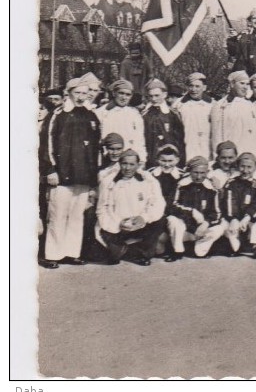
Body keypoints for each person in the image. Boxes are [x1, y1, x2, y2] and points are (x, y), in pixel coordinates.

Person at [39, 77, 102, 268]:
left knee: (76, 216)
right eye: (77, 93)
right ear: (69, 93)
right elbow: (47, 144)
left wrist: (94, 175)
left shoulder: (92, 116)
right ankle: (53, 254)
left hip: (83, 175)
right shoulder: (58, 114)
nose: (81, 97)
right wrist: (50, 169)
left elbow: (96, 147)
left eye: (85, 93)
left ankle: (71, 252)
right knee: (58, 215)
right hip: (62, 174)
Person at [96, 149, 166, 265]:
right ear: (119, 164)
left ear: (138, 165)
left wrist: (143, 218)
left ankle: (141, 253)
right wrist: (118, 223)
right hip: (118, 227)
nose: (127, 168)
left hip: (140, 224)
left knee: (160, 220)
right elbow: (102, 209)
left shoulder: (148, 179)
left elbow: (158, 203)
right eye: (124, 163)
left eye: (132, 164)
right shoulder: (108, 181)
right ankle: (127, 251)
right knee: (114, 256)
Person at [164, 157, 226, 261]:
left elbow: (217, 212)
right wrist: (191, 212)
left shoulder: (211, 188)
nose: (199, 176)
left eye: (202, 173)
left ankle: (199, 249)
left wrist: (206, 223)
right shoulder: (181, 184)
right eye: (195, 172)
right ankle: (178, 251)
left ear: (207, 172)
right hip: (185, 229)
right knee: (172, 220)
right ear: (189, 171)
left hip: (201, 230)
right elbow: (171, 206)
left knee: (220, 227)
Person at [220, 151, 256, 259]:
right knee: (233, 240)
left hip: (252, 216)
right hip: (236, 215)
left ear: (255, 167)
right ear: (238, 166)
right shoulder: (232, 182)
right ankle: (236, 245)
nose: (245, 170)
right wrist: (233, 218)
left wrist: (247, 217)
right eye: (242, 166)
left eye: (249, 167)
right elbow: (229, 201)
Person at [210, 71, 256, 165]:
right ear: (232, 84)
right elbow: (216, 136)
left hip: (247, 159)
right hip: (230, 160)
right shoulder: (220, 106)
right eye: (242, 83)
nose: (245, 87)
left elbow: (254, 135)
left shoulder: (250, 105)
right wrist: (218, 160)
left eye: (247, 84)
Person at [141, 78, 186, 165]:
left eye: (157, 95)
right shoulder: (145, 115)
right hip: (150, 159)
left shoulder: (172, 115)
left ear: (164, 94)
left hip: (169, 160)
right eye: (151, 96)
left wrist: (180, 161)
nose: (153, 99)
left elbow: (180, 140)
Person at [174, 72, 213, 162]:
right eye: (191, 86)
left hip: (205, 146)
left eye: (197, 86)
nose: (193, 89)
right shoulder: (179, 104)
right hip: (187, 145)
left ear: (204, 87)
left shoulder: (212, 104)